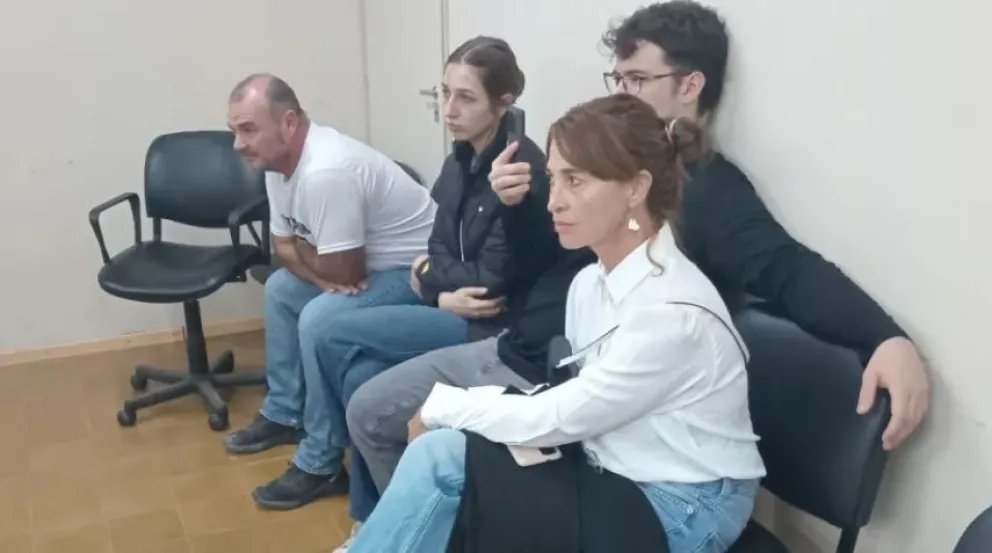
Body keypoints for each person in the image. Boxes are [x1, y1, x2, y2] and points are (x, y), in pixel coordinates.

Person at [346, 0, 930, 523]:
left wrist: (883, 336)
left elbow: (786, 269)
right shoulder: (603, 212)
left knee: (418, 438)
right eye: (618, 77)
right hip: (545, 357)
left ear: (690, 85)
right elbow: (543, 262)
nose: (624, 93)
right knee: (394, 417)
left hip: (582, 393)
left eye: (639, 79)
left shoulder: (703, 198)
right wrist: (516, 208)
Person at [347, 93, 766, 553]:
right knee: (451, 455)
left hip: (683, 504)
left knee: (442, 457)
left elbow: (562, 414)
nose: (554, 202)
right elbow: (572, 398)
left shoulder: (670, 314)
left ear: (635, 189)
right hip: (613, 462)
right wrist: (453, 412)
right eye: (553, 179)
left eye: (575, 181)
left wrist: (442, 407)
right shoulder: (589, 283)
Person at [247, 39, 560, 525]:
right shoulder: (459, 160)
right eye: (445, 93)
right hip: (449, 303)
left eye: (466, 98)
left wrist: (429, 279)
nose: (449, 110)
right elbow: (436, 244)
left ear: (504, 102)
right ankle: (373, 515)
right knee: (358, 377)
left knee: (327, 328)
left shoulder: (517, 173)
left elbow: (491, 281)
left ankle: (322, 460)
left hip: (488, 325)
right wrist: (435, 286)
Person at [222, 73, 437, 503]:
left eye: (247, 129)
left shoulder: (326, 171)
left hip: (417, 274)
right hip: (363, 269)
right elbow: (284, 248)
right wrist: (321, 273)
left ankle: (320, 461)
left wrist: (315, 260)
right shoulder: (277, 164)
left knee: (319, 318)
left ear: (288, 123)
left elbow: (338, 266)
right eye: (234, 131)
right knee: (281, 290)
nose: (237, 144)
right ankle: (285, 413)